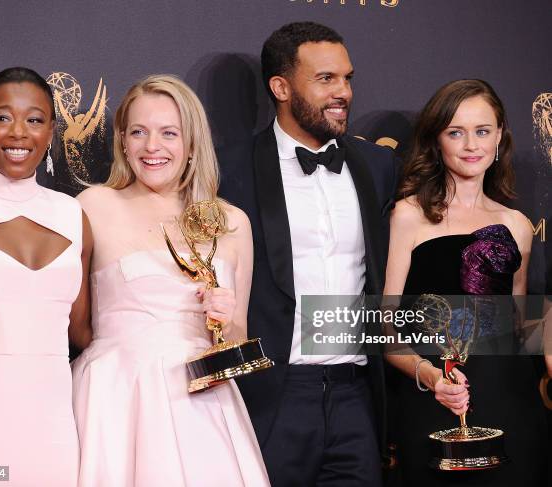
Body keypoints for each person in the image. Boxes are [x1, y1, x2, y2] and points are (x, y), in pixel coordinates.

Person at [217, 22, 397, 487]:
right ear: (280, 87)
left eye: (347, 78)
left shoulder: (377, 168)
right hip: (273, 395)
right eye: (325, 79)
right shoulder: (229, 171)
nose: (343, 93)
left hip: (355, 395)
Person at [70, 75, 270, 487]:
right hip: (116, 399)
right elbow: (69, 318)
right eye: (138, 132)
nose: (152, 147)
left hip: (204, 405)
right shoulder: (94, 206)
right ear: (123, 141)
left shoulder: (232, 223)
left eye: (169, 133)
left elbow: (236, 341)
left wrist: (225, 319)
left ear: (192, 143)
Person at [383, 79, 548, 486]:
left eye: (482, 131)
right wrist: (429, 376)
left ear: (499, 138)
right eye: (456, 132)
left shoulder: (518, 225)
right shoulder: (409, 214)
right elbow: (384, 327)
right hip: (434, 395)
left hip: (509, 396)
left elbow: (520, 324)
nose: (471, 144)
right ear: (437, 140)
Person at [0, 67, 92, 486]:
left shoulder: (74, 215)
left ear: (51, 131)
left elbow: (82, 332)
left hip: (54, 420)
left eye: (35, 119)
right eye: (3, 117)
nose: (19, 133)